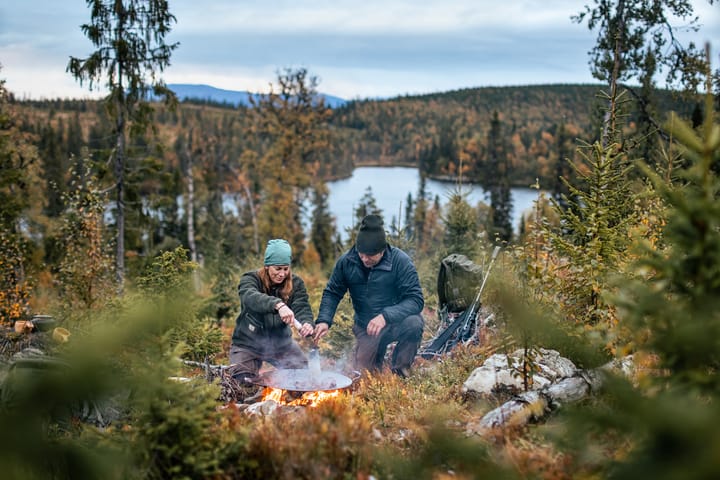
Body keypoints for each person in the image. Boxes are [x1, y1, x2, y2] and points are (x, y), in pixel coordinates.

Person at [313, 214, 424, 377]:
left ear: (382, 250)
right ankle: (374, 365)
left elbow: (416, 300)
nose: (364, 258)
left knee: (414, 323)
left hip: (395, 323)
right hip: (366, 328)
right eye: (361, 253)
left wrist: (385, 316)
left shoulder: (400, 262)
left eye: (370, 255)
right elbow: (332, 292)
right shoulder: (347, 262)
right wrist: (324, 320)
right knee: (364, 376)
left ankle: (401, 372)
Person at [229, 239, 314, 390]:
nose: (282, 274)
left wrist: (306, 322)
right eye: (278, 268)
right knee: (242, 383)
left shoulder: (296, 283)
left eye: (286, 269)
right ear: (267, 266)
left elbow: (301, 307)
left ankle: (281, 393)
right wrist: (278, 305)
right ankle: (260, 384)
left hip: (281, 344)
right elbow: (250, 297)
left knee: (302, 375)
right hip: (248, 344)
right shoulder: (250, 279)